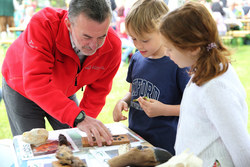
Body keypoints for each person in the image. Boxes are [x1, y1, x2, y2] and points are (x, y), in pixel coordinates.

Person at [2, 0, 122, 147]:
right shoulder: (43, 24)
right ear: (69, 25)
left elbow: (98, 93)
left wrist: (83, 121)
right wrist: (78, 118)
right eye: (87, 37)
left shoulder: (113, 46)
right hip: (21, 87)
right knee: (34, 147)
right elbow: (36, 83)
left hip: (63, 90)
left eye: (102, 36)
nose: (94, 46)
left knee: (76, 141)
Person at [160, 2, 250, 166]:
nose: (166, 53)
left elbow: (242, 148)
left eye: (170, 48)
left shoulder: (216, 88)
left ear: (193, 48)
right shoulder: (202, 73)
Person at [112, 0, 190, 155]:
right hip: (136, 139)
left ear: (162, 31)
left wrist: (163, 110)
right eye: (133, 39)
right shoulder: (136, 58)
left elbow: (193, 107)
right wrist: (123, 101)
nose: (139, 45)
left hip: (165, 145)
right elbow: (132, 91)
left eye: (145, 40)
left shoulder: (177, 63)